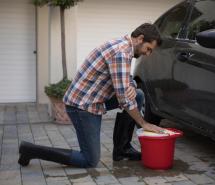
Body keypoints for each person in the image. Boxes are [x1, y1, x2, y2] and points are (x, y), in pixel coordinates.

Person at [18, 23, 164, 168]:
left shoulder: (123, 46)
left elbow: (125, 78)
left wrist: (131, 85)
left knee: (137, 95)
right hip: (82, 107)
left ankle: (122, 150)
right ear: (140, 38)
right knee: (89, 160)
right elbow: (124, 98)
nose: (148, 53)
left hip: (94, 99)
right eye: (148, 49)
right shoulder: (121, 52)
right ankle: (30, 150)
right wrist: (144, 123)